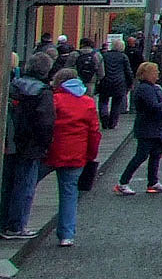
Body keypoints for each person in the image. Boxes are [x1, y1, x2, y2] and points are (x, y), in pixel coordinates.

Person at [45, 67, 100, 248]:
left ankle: (16, 224)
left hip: (50, 151)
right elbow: (94, 133)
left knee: (26, 185)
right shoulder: (88, 102)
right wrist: (90, 155)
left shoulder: (55, 100)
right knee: (69, 195)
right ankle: (66, 235)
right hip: (77, 154)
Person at [2, 54, 56, 239]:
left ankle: (3, 223)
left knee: (7, 184)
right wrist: (45, 144)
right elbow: (45, 123)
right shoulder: (43, 92)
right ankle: (17, 226)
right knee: (25, 186)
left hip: (10, 141)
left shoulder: (14, 86)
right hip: (31, 145)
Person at [114, 61, 162, 195]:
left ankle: (153, 182)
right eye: (155, 71)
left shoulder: (151, 87)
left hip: (153, 128)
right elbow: (153, 107)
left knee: (156, 155)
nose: (157, 73)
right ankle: (122, 183)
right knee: (140, 156)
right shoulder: (145, 89)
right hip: (147, 128)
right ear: (147, 74)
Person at [97, 36, 132, 130]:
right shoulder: (123, 57)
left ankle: (104, 117)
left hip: (105, 81)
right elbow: (128, 71)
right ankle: (112, 123)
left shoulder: (104, 55)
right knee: (116, 104)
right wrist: (130, 83)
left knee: (103, 101)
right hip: (119, 82)